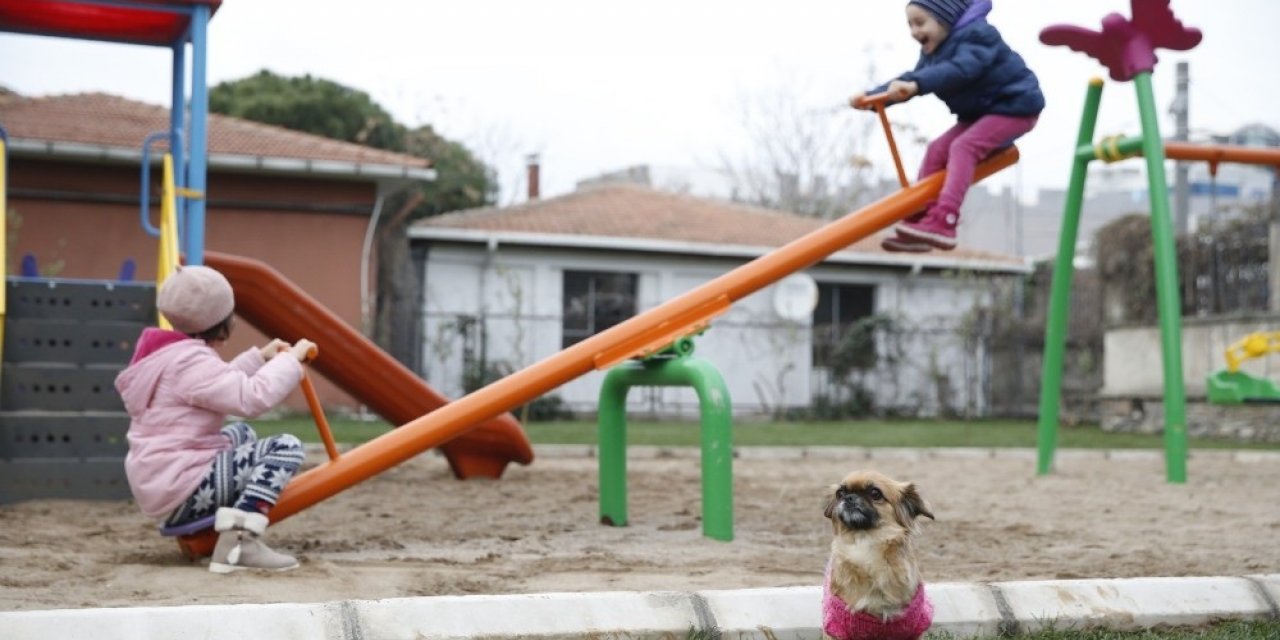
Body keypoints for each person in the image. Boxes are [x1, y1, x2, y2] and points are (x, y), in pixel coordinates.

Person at [115, 265, 316, 573]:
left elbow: (216, 386)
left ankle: (224, 528)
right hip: (181, 486)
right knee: (285, 447)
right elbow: (251, 397)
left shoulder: (170, 355)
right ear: (221, 319)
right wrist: (291, 361)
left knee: (242, 434)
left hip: (164, 480)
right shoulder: (190, 362)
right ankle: (239, 542)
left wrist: (259, 358)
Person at [851, 0, 1044, 252]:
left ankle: (945, 218)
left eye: (920, 23)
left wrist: (917, 84)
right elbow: (910, 80)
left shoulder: (978, 36)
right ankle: (923, 217)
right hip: (981, 114)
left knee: (963, 147)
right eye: (909, 25)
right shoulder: (933, 53)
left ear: (944, 19)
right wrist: (871, 97)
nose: (914, 32)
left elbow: (961, 70)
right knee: (936, 151)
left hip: (1015, 106)